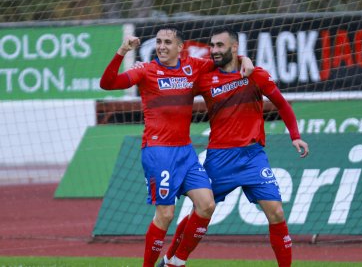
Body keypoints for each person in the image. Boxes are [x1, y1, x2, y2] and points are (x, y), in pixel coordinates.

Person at [100, 25, 254, 267]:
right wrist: (121, 51)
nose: (161, 46)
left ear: (180, 47)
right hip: (158, 152)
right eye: (159, 41)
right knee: (166, 214)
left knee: (206, 205)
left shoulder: (193, 66)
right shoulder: (145, 70)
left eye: (168, 42)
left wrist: (245, 59)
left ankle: (175, 261)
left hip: (185, 152)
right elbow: (108, 84)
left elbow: (224, 58)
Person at [159, 26, 309, 267]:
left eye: (220, 45)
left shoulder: (255, 74)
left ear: (235, 47)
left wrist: (295, 135)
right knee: (201, 210)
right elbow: (179, 83)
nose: (214, 50)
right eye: (212, 46)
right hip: (220, 158)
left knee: (277, 213)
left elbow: (282, 104)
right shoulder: (205, 76)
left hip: (253, 156)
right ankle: (172, 260)